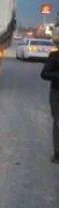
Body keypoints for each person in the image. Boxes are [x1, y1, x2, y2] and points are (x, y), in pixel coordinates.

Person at [40, 36, 59, 164]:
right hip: (57, 92)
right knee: (58, 122)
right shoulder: (54, 56)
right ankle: (57, 153)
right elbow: (44, 74)